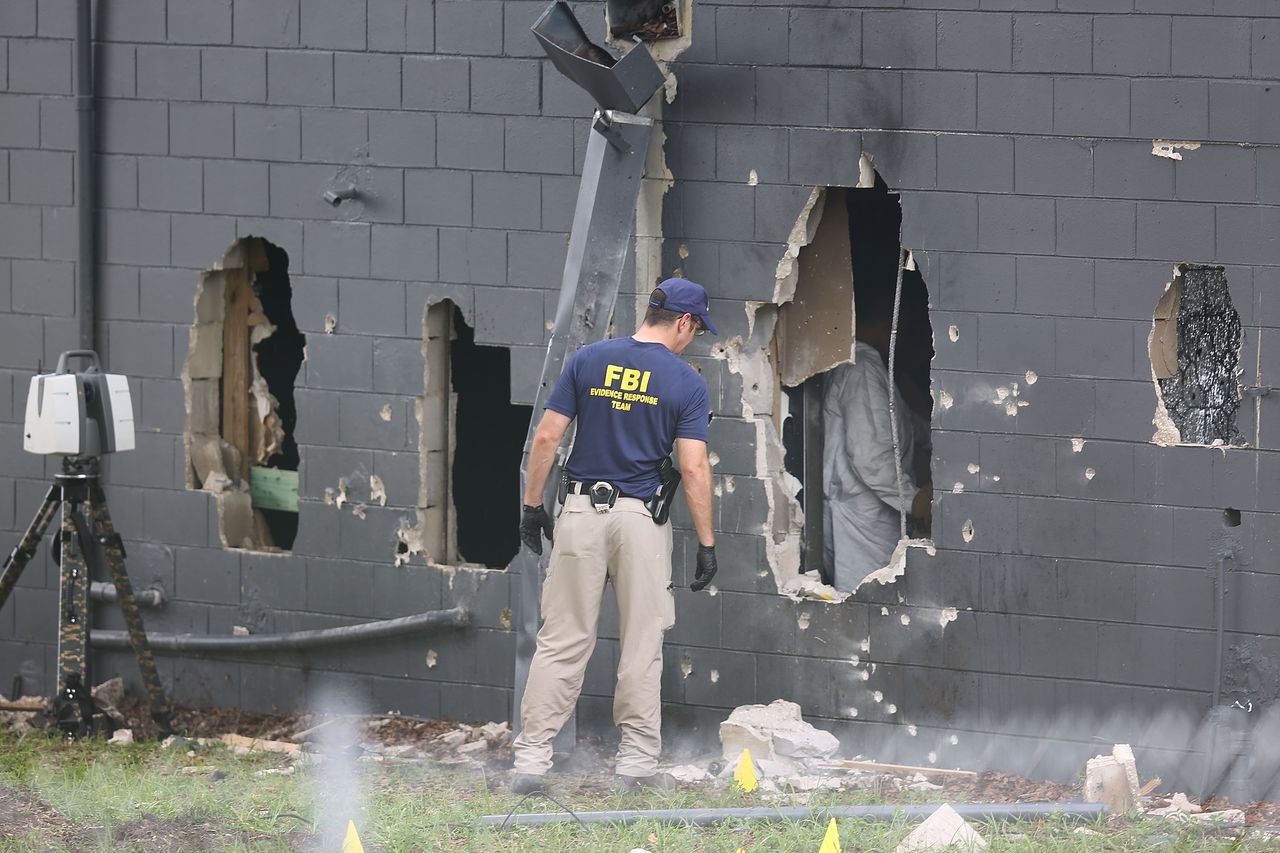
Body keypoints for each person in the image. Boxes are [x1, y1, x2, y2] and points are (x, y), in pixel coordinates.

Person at [511, 278, 719, 793]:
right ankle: (636, 766)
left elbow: (547, 437)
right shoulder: (686, 382)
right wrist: (708, 543)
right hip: (640, 521)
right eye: (696, 329)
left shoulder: (587, 360)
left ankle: (531, 763)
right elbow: (693, 470)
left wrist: (533, 505)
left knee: (560, 641)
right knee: (642, 642)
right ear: (685, 322)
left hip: (579, 512)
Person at [822, 286, 930, 592]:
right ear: (890, 327)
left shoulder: (869, 370)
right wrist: (917, 501)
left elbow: (904, 423)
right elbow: (871, 458)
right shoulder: (862, 370)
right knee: (869, 609)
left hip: (870, 515)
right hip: (863, 522)